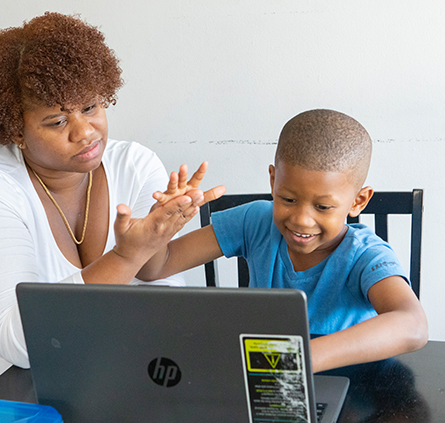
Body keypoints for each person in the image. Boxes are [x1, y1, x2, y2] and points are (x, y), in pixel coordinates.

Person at [0, 12, 224, 394]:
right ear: (15, 131)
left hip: (95, 381)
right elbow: (22, 344)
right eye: (57, 122)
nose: (85, 131)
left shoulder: (135, 167)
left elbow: (164, 309)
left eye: (90, 107)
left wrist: (157, 246)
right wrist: (126, 258)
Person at [138, 109, 428, 373]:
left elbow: (413, 325)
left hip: (349, 389)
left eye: (323, 207)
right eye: (288, 199)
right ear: (273, 180)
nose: (301, 219)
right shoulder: (255, 221)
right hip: (265, 380)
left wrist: (298, 359)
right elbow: (154, 268)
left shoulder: (365, 254)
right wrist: (157, 231)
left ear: (358, 201)